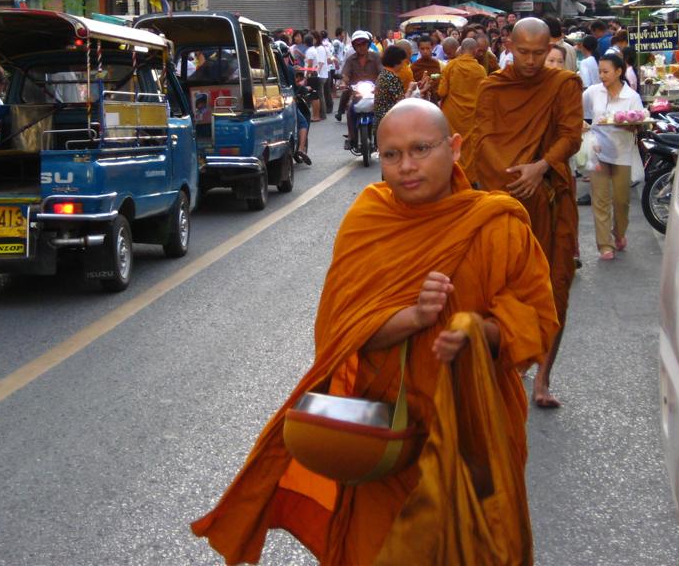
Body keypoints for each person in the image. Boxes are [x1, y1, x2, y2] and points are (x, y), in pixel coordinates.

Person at [191, 99, 559, 564]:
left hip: (475, 436)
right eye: (391, 155)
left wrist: (477, 332)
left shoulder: (496, 224)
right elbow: (337, 331)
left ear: (456, 148)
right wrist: (415, 318)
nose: (406, 166)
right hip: (389, 439)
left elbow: (538, 319)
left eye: (421, 149)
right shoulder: (369, 218)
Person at [468, 18, 583, 409]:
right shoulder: (492, 87)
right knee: (503, 288)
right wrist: (512, 178)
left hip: (551, 196)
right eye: (524, 52)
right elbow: (480, 138)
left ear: (550, 46)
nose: (532, 61)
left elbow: (571, 135)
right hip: (506, 199)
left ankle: (544, 378)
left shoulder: (563, 84)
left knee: (555, 285)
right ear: (510, 47)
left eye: (539, 52)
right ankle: (511, 368)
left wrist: (541, 168)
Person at [582, 53, 645, 260]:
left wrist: (626, 125)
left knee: (621, 201)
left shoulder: (632, 97)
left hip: (622, 153)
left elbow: (638, 125)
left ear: (619, 72)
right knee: (600, 200)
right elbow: (580, 112)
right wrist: (583, 126)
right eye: (600, 71)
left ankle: (618, 233)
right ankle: (604, 245)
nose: (602, 75)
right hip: (598, 152)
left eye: (606, 71)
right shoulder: (592, 92)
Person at [437, 38, 486, 172]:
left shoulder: (451, 66)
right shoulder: (480, 70)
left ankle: (454, 173)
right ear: (475, 51)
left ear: (461, 49)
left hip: (452, 114)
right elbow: (484, 95)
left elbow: (442, 92)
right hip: (471, 114)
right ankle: (468, 178)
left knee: (453, 143)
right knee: (469, 147)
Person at [337, 31, 380, 148]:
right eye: (358, 45)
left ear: (368, 44)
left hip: (374, 93)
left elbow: (382, 73)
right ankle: (351, 137)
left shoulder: (376, 57)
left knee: (382, 112)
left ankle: (381, 136)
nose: (361, 47)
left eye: (363, 44)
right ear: (354, 46)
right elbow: (345, 74)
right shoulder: (351, 60)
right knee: (350, 110)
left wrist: (380, 84)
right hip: (357, 93)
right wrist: (343, 83)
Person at [373, 44, 408, 135]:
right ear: (397, 62)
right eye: (402, 63)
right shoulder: (392, 77)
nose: (403, 66)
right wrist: (412, 90)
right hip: (390, 122)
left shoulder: (383, 74)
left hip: (379, 122)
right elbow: (401, 102)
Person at [304, 34, 329, 119]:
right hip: (315, 74)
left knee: (314, 96)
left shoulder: (310, 51)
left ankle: (316, 116)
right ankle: (318, 115)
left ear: (305, 43)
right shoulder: (314, 50)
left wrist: (306, 76)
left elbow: (310, 64)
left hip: (312, 75)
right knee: (317, 96)